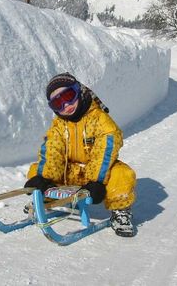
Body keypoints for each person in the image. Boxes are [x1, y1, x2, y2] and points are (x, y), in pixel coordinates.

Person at [24, 72, 137, 237]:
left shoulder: (99, 119)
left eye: (68, 96)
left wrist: (96, 181)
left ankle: (120, 211)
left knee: (122, 174)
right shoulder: (59, 125)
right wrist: (44, 177)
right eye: (58, 103)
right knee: (36, 170)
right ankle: (43, 198)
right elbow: (52, 150)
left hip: (97, 173)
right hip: (71, 173)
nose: (66, 105)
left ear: (79, 91)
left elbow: (105, 150)